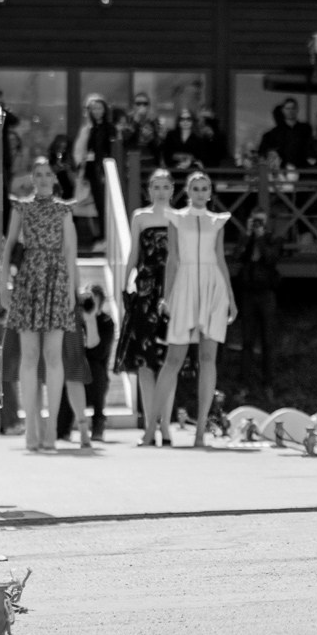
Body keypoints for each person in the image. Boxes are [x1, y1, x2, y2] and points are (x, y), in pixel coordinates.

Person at [155, 169, 236, 447]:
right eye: (195, 188)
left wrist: (231, 298)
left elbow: (221, 259)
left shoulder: (217, 221)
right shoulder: (176, 218)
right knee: (174, 357)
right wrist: (167, 296)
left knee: (208, 357)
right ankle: (151, 429)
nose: (200, 193)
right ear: (187, 192)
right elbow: (172, 260)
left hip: (213, 286)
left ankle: (201, 431)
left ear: (210, 192)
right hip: (186, 285)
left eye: (204, 188)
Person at [3, 154, 78, 452]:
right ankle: (30, 431)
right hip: (29, 278)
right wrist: (3, 282)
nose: (44, 178)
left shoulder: (64, 211)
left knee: (53, 355)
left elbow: (70, 252)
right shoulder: (22, 207)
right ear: (32, 178)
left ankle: (50, 431)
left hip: (56, 279)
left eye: (48, 174)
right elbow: (8, 245)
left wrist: (71, 290)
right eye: (39, 174)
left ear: (55, 179)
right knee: (29, 355)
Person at [115, 167, 175, 442]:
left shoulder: (179, 216)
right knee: (144, 362)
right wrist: (125, 283)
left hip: (171, 291)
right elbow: (133, 255)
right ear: (149, 190)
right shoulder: (140, 216)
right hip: (146, 289)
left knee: (168, 362)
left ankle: (165, 425)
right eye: (155, 186)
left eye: (165, 186)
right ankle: (150, 424)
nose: (160, 191)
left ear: (172, 189)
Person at [234, 209, 283, 399]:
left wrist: (261, 238)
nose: (257, 225)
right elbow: (237, 256)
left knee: (268, 342)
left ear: (267, 222)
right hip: (248, 294)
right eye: (255, 221)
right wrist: (247, 236)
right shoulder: (246, 238)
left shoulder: (274, 239)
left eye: (261, 221)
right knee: (247, 341)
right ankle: (243, 386)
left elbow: (271, 259)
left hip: (267, 294)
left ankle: (268, 385)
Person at [58, 285, 114, 442]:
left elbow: (94, 349)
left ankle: (97, 424)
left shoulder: (106, 322)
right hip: (74, 373)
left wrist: (90, 320)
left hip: (95, 377)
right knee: (70, 377)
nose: (88, 305)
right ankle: (63, 429)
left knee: (95, 370)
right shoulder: (74, 320)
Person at [72, 94, 115, 240]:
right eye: (94, 108)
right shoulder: (87, 129)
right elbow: (79, 150)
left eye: (99, 108)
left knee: (104, 204)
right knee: (94, 204)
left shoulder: (109, 128)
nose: (97, 111)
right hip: (89, 170)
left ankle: (105, 234)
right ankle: (99, 234)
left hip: (104, 170)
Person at [161, 109, 209, 195]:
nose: (185, 121)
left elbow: (202, 156)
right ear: (178, 121)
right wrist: (177, 165)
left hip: (192, 173)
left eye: (188, 119)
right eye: (182, 119)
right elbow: (166, 154)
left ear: (192, 121)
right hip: (174, 172)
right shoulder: (171, 135)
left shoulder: (199, 137)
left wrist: (190, 163)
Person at [258, 98, 313, 171]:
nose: (290, 111)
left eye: (293, 108)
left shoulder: (305, 130)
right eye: (287, 108)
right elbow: (263, 153)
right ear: (283, 110)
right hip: (282, 175)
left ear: (297, 110)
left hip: (302, 173)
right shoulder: (274, 133)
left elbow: (310, 150)